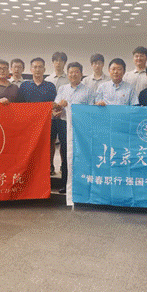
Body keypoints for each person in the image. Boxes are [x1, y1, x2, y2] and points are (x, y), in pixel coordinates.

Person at [53, 62, 94, 194]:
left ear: (81, 74)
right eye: (70, 72)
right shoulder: (62, 89)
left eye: (76, 72)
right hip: (64, 125)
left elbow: (91, 110)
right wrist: (59, 105)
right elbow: (55, 107)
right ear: (67, 74)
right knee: (66, 154)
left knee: (81, 154)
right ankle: (65, 183)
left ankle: (81, 184)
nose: (73, 74)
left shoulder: (88, 90)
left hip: (81, 127)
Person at [46, 52, 70, 176]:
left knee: (63, 142)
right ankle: (49, 166)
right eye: (56, 60)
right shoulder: (48, 79)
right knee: (50, 142)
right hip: (49, 116)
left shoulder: (69, 78)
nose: (58, 63)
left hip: (64, 116)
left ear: (64, 63)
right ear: (53, 62)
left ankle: (63, 165)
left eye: (61, 60)